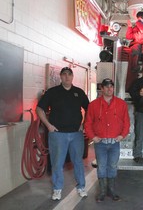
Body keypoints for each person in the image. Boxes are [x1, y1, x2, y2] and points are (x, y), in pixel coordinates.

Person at [36, 67, 89, 201]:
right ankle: (57, 189)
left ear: (72, 77)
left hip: (76, 134)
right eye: (64, 74)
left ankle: (81, 187)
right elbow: (39, 109)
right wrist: (48, 126)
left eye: (69, 74)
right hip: (58, 135)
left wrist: (84, 124)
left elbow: (90, 109)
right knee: (57, 163)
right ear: (61, 76)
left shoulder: (78, 92)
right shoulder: (53, 92)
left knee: (78, 161)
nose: (67, 77)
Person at [84, 78, 130, 202]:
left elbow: (126, 122)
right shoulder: (93, 105)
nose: (109, 89)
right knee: (102, 167)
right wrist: (93, 137)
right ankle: (102, 192)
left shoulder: (121, 104)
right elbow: (87, 123)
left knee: (113, 166)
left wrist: (122, 135)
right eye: (106, 86)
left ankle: (112, 191)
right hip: (100, 144)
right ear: (102, 89)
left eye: (111, 86)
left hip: (114, 143)